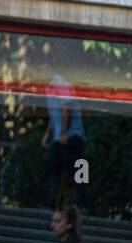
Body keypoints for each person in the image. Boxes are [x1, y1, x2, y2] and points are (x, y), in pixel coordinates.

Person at [43, 74, 88, 210]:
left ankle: (83, 205)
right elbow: (55, 115)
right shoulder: (48, 88)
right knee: (54, 171)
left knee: (76, 172)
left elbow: (66, 109)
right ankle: (50, 205)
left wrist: (62, 133)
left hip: (73, 136)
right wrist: (47, 134)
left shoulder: (59, 82)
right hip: (60, 138)